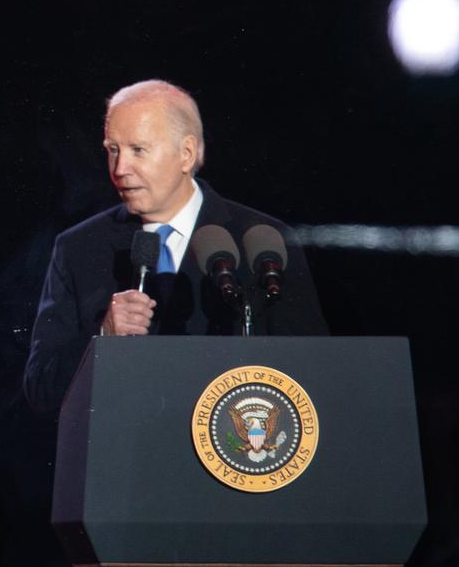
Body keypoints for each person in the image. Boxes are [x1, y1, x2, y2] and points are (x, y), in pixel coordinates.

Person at [24, 80, 328, 415]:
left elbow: (312, 372)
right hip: (123, 457)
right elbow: (41, 388)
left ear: (186, 154)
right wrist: (102, 338)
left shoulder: (262, 240)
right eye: (113, 150)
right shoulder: (78, 248)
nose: (120, 169)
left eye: (138, 150)